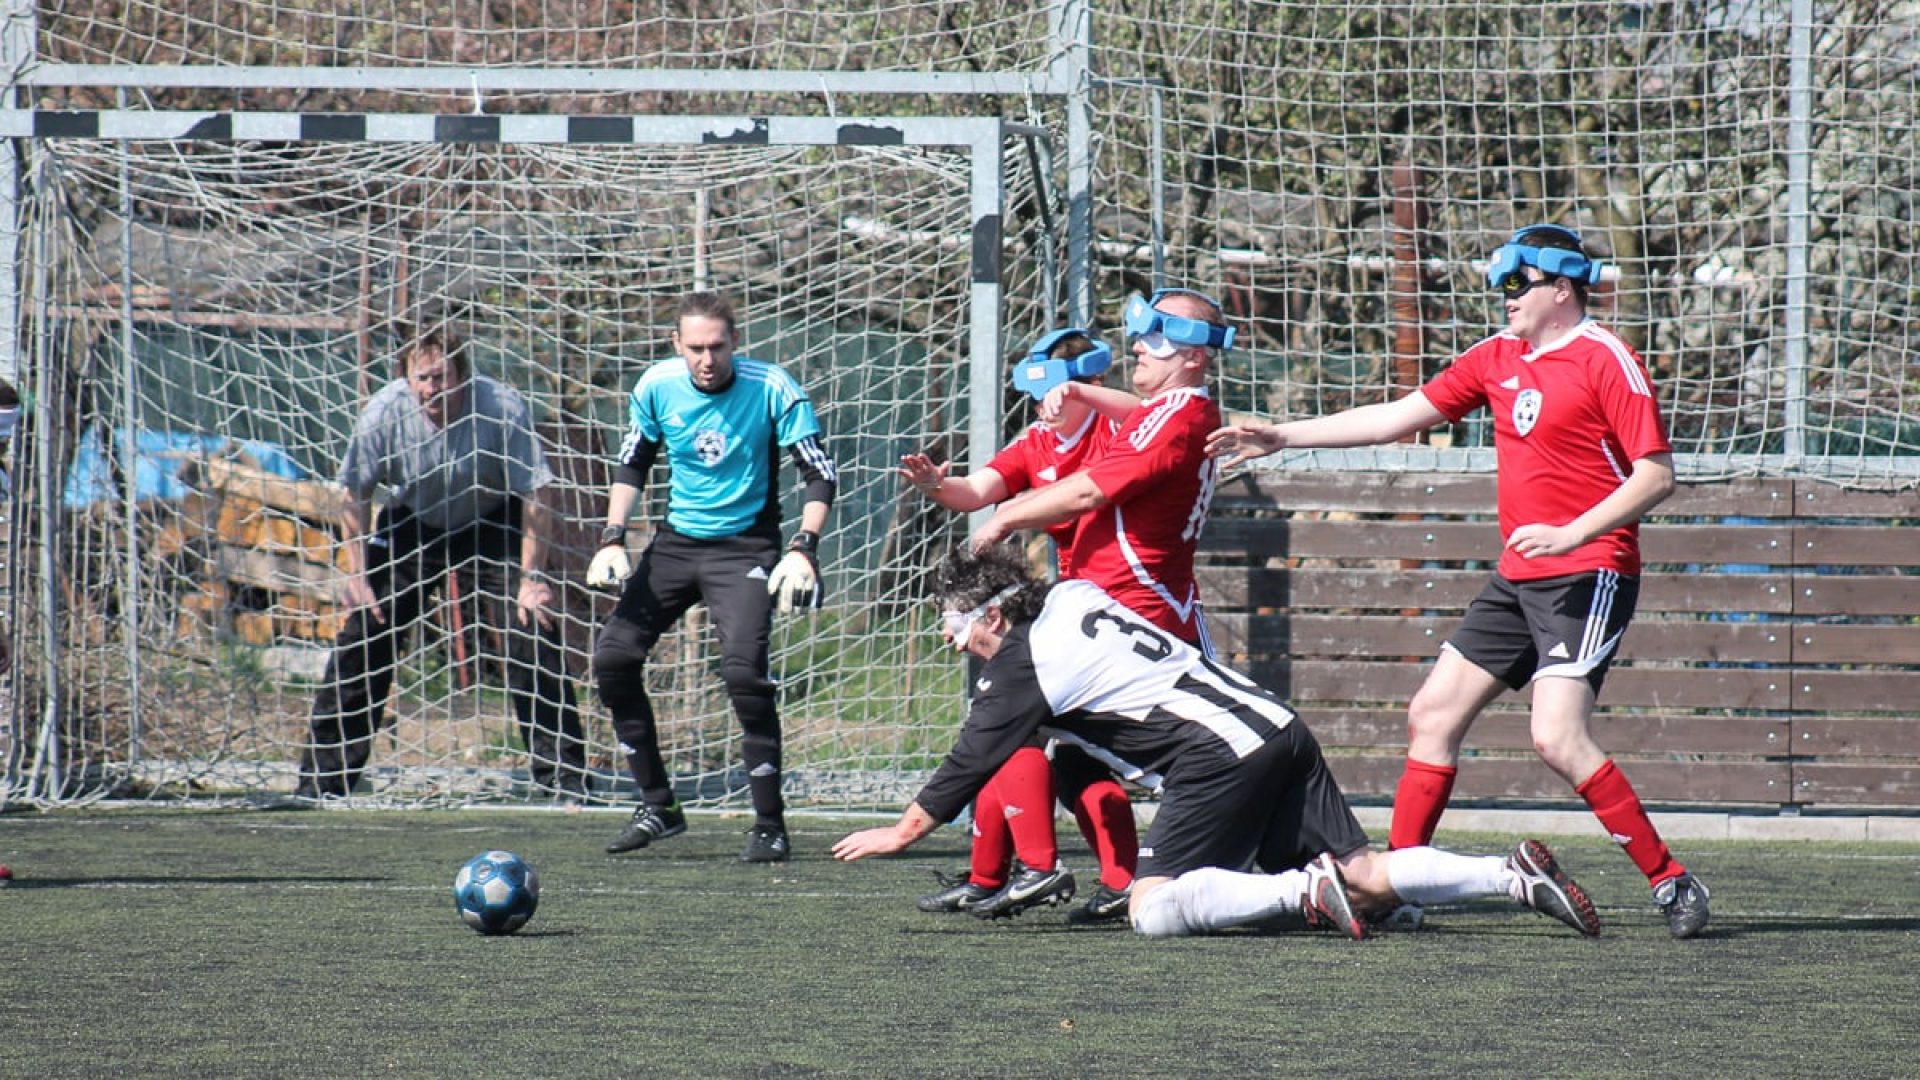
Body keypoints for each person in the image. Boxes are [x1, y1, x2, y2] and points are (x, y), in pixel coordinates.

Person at [1208, 223, 1710, 939]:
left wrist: (1572, 533)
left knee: (1555, 737)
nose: (1504, 296)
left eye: (1518, 283)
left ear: (1562, 288)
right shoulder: (1496, 356)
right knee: (1432, 715)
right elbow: (1395, 419)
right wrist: (1284, 435)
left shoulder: (1607, 359)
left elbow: (1656, 476)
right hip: (1518, 577)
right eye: (1501, 284)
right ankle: (1395, 885)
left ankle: (1671, 880)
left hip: (1588, 572)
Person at [832, 544, 1602, 940]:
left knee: (1151, 908)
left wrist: (902, 832)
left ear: (995, 616)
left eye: (955, 624)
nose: (951, 639)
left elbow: (968, 762)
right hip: (1276, 724)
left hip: (1219, 754)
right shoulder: (1072, 592)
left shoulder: (1021, 667)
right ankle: (1508, 876)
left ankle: (1302, 892)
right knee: (1367, 874)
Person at [902, 328, 1148, 923]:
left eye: (1057, 393)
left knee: (1027, 734)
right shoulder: (1037, 440)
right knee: (1055, 749)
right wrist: (937, 485)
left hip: (1136, 606)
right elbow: (976, 490)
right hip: (1080, 609)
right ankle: (1006, 875)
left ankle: (1040, 870)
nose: (1045, 407)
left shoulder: (1120, 430)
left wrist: (1085, 397)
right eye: (1036, 396)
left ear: (1092, 384)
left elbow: (1146, 417)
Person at [587, 291, 836, 864]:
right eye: (695, 348)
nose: (707, 359)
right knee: (613, 659)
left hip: (746, 547)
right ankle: (659, 805)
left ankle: (769, 824)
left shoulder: (773, 387)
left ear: (735, 342)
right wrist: (612, 536)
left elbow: (819, 473)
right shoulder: (656, 386)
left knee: (744, 674)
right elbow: (633, 463)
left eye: (717, 347)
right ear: (676, 344)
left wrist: (804, 547)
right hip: (676, 546)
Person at [297, 325, 589, 801]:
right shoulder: (383, 413)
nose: (432, 389)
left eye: (441, 377)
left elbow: (538, 492)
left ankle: (565, 779)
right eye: (422, 378)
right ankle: (321, 782)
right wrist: (358, 575)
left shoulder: (501, 407)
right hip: (415, 521)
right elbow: (354, 494)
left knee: (530, 627)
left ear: (462, 377)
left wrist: (531, 577)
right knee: (364, 633)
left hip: (491, 518)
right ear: (406, 379)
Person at [969, 289, 1228, 650]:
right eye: (1140, 336)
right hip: (1113, 610)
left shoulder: (1174, 420)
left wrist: (1005, 519)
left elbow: (1088, 492)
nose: (1138, 347)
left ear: (1195, 357)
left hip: (1136, 618)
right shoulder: (1165, 412)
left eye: (1157, 338)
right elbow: (1112, 450)